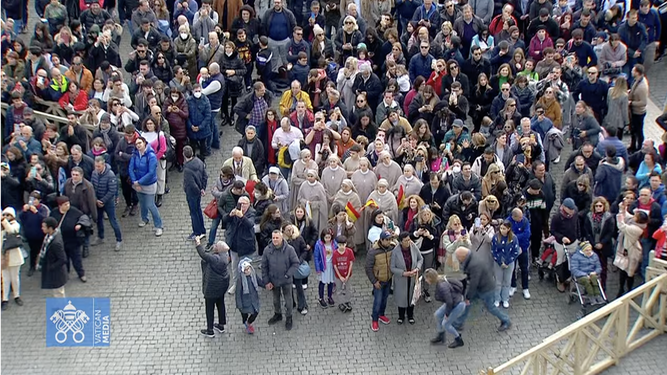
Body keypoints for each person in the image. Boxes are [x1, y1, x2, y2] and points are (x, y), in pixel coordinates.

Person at [451, 247, 512, 331]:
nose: (458, 260)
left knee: (491, 307)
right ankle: (458, 323)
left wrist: (468, 296)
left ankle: (506, 320)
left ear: (463, 256)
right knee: (467, 304)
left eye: (458, 258)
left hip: (486, 288)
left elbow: (474, 282)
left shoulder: (474, 264)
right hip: (481, 286)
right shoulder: (470, 257)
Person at [262, 230, 300, 331]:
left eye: (277, 238)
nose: (275, 240)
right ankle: (277, 314)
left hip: (286, 281)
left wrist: (288, 275)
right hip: (273, 280)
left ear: (281, 238)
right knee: (275, 300)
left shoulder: (289, 250)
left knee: (288, 301)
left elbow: (296, 263)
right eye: (273, 238)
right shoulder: (267, 250)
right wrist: (266, 281)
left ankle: (289, 317)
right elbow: (264, 267)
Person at [194, 237, 230, 337]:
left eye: (216, 245)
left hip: (211, 289)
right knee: (220, 305)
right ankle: (221, 325)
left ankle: (210, 330)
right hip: (221, 287)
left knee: (209, 309)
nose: (214, 246)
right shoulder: (225, 257)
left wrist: (198, 244)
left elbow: (203, 255)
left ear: (218, 249)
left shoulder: (215, 259)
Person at [129, 137, 163, 237]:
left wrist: (138, 182)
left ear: (144, 143)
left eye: (140, 143)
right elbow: (131, 168)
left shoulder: (151, 156)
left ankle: (159, 226)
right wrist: (135, 181)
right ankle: (144, 219)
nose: (138, 145)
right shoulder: (135, 154)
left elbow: (151, 172)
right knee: (142, 203)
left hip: (149, 185)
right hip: (138, 184)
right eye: (136, 144)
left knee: (150, 205)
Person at [425, 268, 465, 348]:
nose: (426, 280)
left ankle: (458, 339)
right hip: (454, 302)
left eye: (426, 278)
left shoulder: (442, 286)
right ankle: (441, 335)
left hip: (457, 304)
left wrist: (447, 314)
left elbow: (449, 301)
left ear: (431, 278)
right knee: (438, 315)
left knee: (446, 324)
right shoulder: (440, 280)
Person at [49, 196, 86, 283]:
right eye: (65, 204)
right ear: (60, 206)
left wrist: (80, 224)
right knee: (64, 260)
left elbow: (83, 218)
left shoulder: (74, 211)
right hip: (61, 242)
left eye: (68, 203)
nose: (68, 206)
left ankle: (81, 274)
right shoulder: (54, 213)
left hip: (73, 241)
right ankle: (65, 274)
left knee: (77, 259)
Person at [224, 196, 256, 295]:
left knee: (246, 268)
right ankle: (236, 285)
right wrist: (230, 215)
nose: (241, 205)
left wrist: (242, 216)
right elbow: (225, 220)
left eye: (244, 203)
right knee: (234, 267)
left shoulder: (252, 213)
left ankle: (248, 287)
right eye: (240, 203)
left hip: (246, 246)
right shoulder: (235, 209)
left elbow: (250, 224)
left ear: (248, 204)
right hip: (234, 245)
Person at [391, 231, 424, 324]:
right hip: (402, 279)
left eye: (409, 240)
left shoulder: (413, 247)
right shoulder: (395, 251)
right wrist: (403, 273)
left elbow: (420, 258)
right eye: (406, 241)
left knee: (411, 297)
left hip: (413, 277)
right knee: (402, 297)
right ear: (400, 242)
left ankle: (410, 315)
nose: (408, 242)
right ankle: (401, 316)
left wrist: (417, 268)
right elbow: (392, 268)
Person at [616, 201, 647, 297]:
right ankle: (622, 288)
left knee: (630, 272)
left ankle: (628, 290)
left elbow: (621, 226)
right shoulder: (636, 223)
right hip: (627, 250)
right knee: (623, 269)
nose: (633, 216)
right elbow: (628, 216)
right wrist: (623, 208)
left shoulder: (636, 229)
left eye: (636, 216)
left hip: (632, 252)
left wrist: (620, 215)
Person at [366, 231, 394, 332]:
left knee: (384, 299)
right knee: (377, 301)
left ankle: (381, 315)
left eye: (390, 239)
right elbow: (368, 268)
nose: (389, 241)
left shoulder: (392, 247)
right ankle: (374, 319)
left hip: (388, 279)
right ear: (381, 240)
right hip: (378, 281)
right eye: (387, 240)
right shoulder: (373, 251)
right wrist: (374, 281)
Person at [19, 191, 50, 276]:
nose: (33, 202)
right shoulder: (27, 209)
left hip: (41, 234)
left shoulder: (43, 209)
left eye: (35, 199)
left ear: (39, 200)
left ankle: (44, 266)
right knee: (33, 251)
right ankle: (32, 266)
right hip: (30, 235)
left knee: (43, 251)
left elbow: (45, 219)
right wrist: (24, 211)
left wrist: (36, 212)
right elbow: (21, 218)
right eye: (31, 199)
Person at [491, 220, 520, 308]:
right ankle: (497, 299)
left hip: (509, 262)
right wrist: (500, 262)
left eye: (504, 228)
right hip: (498, 262)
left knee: (507, 281)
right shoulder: (496, 237)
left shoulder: (513, 238)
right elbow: (493, 251)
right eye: (501, 228)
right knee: (498, 282)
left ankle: (505, 299)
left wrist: (507, 262)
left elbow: (516, 251)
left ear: (508, 229)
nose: (502, 230)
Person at [38, 217, 68, 298]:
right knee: (56, 292)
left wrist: (51, 267)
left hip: (57, 273)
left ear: (50, 228)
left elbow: (62, 259)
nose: (42, 228)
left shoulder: (55, 243)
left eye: (44, 226)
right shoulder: (49, 236)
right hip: (55, 272)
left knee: (59, 293)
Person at [183, 146, 208, 240]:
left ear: (184, 155)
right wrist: (203, 188)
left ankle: (197, 232)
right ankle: (202, 230)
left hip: (192, 193)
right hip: (199, 191)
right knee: (198, 210)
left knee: (193, 212)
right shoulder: (199, 162)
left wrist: (198, 191)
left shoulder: (187, 170)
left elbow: (191, 184)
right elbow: (205, 176)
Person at [2, 207, 24, 310]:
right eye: (4, 215)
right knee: (5, 278)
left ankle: (16, 295)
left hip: (14, 256)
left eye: (8, 215)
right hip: (3, 256)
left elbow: (11, 231)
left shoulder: (15, 225)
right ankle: (4, 299)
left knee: (15, 278)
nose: (6, 217)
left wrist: (3, 220)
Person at [314, 229, 337, 308]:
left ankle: (329, 297)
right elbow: (316, 257)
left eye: (329, 237)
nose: (327, 239)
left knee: (331, 282)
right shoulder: (319, 244)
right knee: (322, 283)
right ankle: (321, 298)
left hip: (331, 266)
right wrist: (318, 269)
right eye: (326, 237)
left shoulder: (334, 244)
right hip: (323, 266)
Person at [332, 235, 355, 312]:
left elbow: (351, 263)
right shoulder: (335, 253)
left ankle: (347, 301)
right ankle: (341, 303)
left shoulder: (349, 251)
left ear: (346, 244)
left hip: (348, 275)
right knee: (339, 290)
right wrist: (340, 276)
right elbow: (335, 266)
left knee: (348, 289)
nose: (341, 247)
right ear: (337, 245)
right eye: (339, 245)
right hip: (338, 276)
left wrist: (348, 275)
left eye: (343, 244)